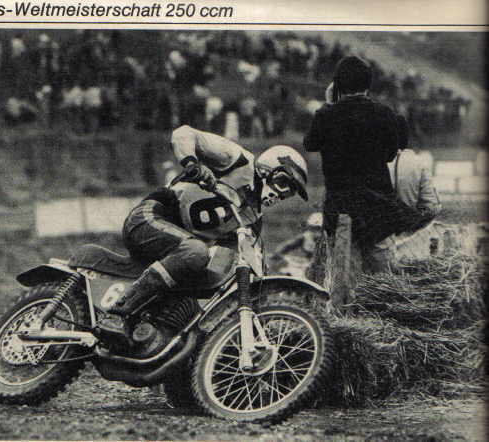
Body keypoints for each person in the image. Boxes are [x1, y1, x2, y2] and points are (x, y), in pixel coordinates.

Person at [106, 125, 309, 317]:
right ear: (267, 169)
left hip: (178, 251)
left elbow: (252, 267)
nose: (280, 194)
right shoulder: (239, 160)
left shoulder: (252, 219)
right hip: (152, 217)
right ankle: (121, 309)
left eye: (289, 193)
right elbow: (184, 133)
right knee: (196, 252)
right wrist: (192, 164)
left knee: (210, 280)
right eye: (282, 183)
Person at [303, 56, 433, 253]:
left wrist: (329, 104)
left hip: (339, 207)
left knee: (341, 265)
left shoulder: (326, 115)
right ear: (368, 84)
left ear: (337, 85)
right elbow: (390, 156)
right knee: (381, 264)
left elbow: (310, 144)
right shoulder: (385, 114)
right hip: (378, 208)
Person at [270, 212, 323, 278]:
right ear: (310, 228)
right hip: (307, 264)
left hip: (322, 266)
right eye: (313, 229)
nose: (316, 232)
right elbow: (288, 245)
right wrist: (278, 253)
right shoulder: (306, 237)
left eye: (319, 229)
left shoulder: (326, 241)